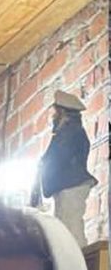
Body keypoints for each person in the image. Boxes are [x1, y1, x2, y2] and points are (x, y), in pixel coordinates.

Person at [31, 89, 98, 246]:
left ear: (63, 113)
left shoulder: (71, 133)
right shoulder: (66, 133)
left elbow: (58, 155)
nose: (53, 117)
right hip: (65, 185)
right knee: (64, 226)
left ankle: (77, 256)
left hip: (71, 185)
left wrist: (44, 163)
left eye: (56, 113)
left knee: (71, 226)